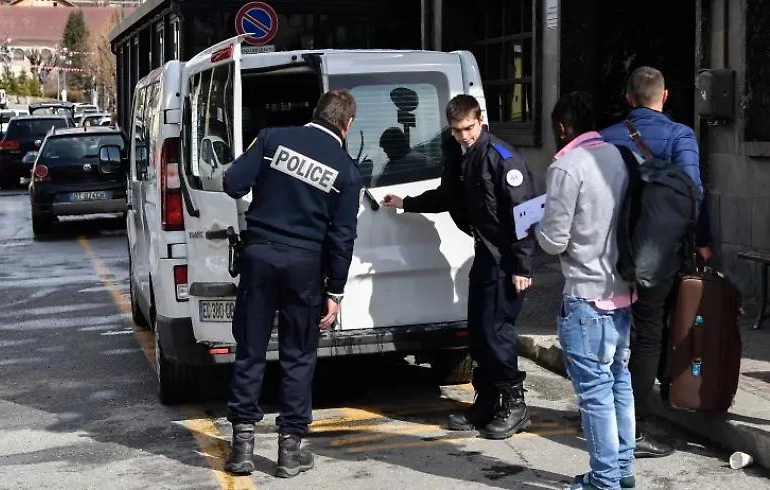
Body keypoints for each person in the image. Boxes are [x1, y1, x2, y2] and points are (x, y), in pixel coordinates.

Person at [222, 89, 361, 478]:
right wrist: (335, 291)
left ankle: (242, 447)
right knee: (298, 355)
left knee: (250, 349)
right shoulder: (347, 171)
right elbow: (342, 237)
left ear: (315, 111)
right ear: (348, 124)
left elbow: (233, 183)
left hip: (260, 258)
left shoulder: (271, 139)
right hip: (305, 266)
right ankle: (289, 451)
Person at [383, 94, 534, 440]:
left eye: (468, 128)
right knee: (479, 333)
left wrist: (522, 266)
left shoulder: (502, 158)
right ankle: (488, 401)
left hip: (506, 258)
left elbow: (525, 216)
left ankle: (515, 406)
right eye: (456, 130)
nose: (463, 135)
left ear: (480, 121)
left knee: (497, 332)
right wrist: (407, 203)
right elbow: (449, 196)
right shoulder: (461, 155)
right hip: (485, 254)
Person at [600, 66, 712, 458]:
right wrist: (703, 242)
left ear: (629, 98)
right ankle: (635, 422)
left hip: (610, 250)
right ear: (664, 97)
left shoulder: (604, 138)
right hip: (658, 252)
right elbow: (694, 192)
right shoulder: (680, 136)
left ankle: (603, 415)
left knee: (611, 331)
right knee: (649, 331)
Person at [535, 92, 635, 490]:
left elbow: (554, 240)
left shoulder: (567, 166)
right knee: (619, 382)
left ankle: (604, 479)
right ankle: (622, 469)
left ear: (562, 128)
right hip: (624, 291)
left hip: (586, 295)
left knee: (595, 393)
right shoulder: (623, 157)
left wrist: (536, 227)